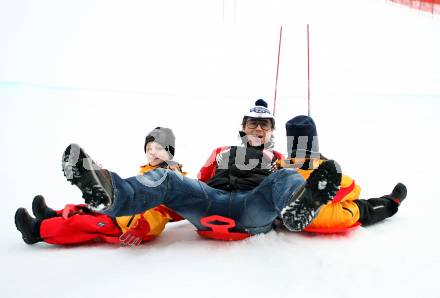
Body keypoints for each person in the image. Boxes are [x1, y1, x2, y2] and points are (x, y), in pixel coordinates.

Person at [60, 99, 343, 236]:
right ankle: (111, 193)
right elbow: (199, 181)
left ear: (271, 133)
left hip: (252, 206)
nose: (258, 128)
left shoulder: (280, 157)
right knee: (167, 178)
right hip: (211, 202)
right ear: (242, 129)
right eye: (252, 124)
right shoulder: (221, 152)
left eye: (264, 125)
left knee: (287, 175)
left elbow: (300, 175)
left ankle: (298, 210)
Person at [15, 127, 184, 246]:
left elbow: (163, 211)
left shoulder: (173, 179)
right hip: (121, 212)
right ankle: (50, 215)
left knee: (81, 223)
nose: (153, 152)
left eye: (159, 148)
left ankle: (36, 231)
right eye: (149, 148)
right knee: (87, 208)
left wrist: (141, 227)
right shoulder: (149, 171)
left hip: (129, 227)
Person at [281, 115, 407, 231]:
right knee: (362, 207)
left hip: (288, 218)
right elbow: (354, 190)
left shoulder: (282, 168)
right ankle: (392, 201)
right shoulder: (327, 171)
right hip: (330, 219)